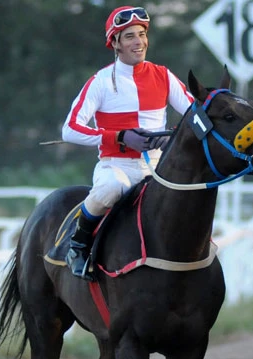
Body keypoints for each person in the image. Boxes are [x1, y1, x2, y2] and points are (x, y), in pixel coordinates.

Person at [61, 5, 194, 279]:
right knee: (112, 187)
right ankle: (78, 245)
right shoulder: (100, 82)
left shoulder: (163, 76)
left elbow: (195, 116)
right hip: (116, 166)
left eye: (142, 35)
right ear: (115, 43)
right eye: (130, 36)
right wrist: (119, 136)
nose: (139, 42)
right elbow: (70, 130)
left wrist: (170, 134)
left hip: (158, 167)